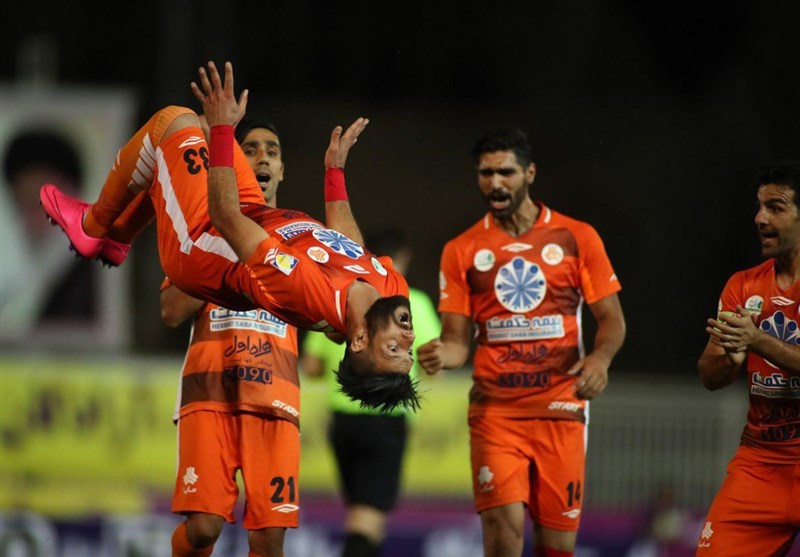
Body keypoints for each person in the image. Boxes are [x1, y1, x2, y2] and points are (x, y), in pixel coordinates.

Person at [39, 61, 419, 412]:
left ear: (359, 340)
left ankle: (91, 227)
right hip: (255, 213)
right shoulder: (392, 289)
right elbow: (351, 248)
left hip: (201, 246)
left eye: (393, 348)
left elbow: (225, 217)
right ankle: (118, 235)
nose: (408, 339)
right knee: (202, 125)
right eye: (409, 352)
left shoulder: (306, 292)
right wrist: (334, 172)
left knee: (171, 122)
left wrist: (225, 131)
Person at [417, 127, 626, 557]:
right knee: (502, 533)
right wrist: (440, 354)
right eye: (486, 173)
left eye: (506, 172)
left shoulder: (576, 237)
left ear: (529, 173)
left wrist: (600, 359)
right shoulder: (461, 249)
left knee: (556, 546)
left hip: (560, 410)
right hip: (496, 413)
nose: (495, 182)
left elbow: (612, 320)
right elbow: (457, 343)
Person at [161, 120, 296, 557]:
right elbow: (170, 311)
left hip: (275, 401)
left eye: (271, 151)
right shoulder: (204, 234)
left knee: (269, 539)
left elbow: (329, 320)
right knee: (203, 529)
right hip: (209, 394)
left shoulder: (298, 237)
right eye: (249, 150)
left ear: (282, 170)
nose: (261, 158)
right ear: (232, 164)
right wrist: (229, 249)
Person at [300, 229, 441, 557]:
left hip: (342, 420)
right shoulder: (413, 302)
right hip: (384, 419)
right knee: (368, 516)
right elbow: (432, 363)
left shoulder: (342, 297)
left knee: (361, 511)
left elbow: (311, 365)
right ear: (401, 259)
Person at [695, 162, 800, 557]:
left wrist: (757, 340)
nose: (760, 218)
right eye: (759, 206)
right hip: (760, 462)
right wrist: (729, 356)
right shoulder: (743, 285)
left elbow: (758, 341)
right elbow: (710, 377)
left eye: (775, 207)